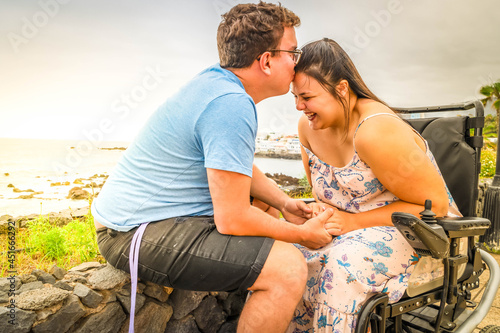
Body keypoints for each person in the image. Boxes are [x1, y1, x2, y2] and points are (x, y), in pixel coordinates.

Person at [91, 3, 335, 332]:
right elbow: (232, 218)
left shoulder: (218, 85)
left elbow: (234, 168)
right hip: (130, 231)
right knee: (288, 269)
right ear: (266, 61)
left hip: (137, 221)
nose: (297, 61)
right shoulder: (230, 104)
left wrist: (284, 203)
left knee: (264, 208)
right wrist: (301, 235)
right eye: (292, 51)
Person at [287, 38, 461, 332]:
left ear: (341, 89)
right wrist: (314, 213)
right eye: (294, 97)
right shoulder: (308, 128)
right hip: (354, 230)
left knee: (342, 267)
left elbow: (434, 206)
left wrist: (353, 223)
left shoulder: (375, 131)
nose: (298, 106)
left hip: (423, 233)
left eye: (306, 97)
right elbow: (330, 199)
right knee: (289, 255)